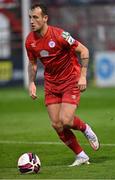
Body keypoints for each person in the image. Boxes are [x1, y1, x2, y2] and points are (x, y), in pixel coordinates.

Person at [25, 3, 100, 167]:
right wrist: (31, 82)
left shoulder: (60, 35)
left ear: (45, 18)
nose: (31, 21)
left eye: (35, 17)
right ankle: (81, 155)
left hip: (70, 80)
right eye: (30, 17)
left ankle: (85, 128)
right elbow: (33, 64)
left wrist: (83, 76)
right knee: (56, 124)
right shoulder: (30, 41)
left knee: (66, 120)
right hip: (51, 84)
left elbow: (84, 50)